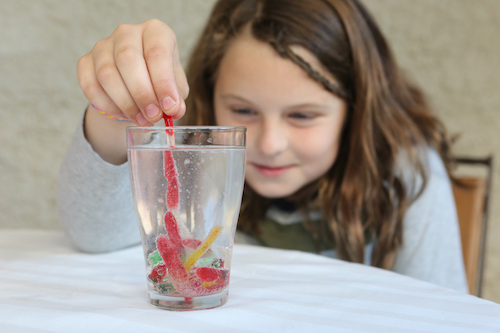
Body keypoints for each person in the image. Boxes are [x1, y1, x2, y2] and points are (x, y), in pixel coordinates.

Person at [58, 0, 468, 293]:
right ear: (210, 91)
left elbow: (438, 308)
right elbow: (94, 234)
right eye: (243, 109)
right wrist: (117, 110)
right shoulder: (196, 160)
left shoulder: (407, 176)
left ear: (356, 110)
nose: (269, 144)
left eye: (303, 116)